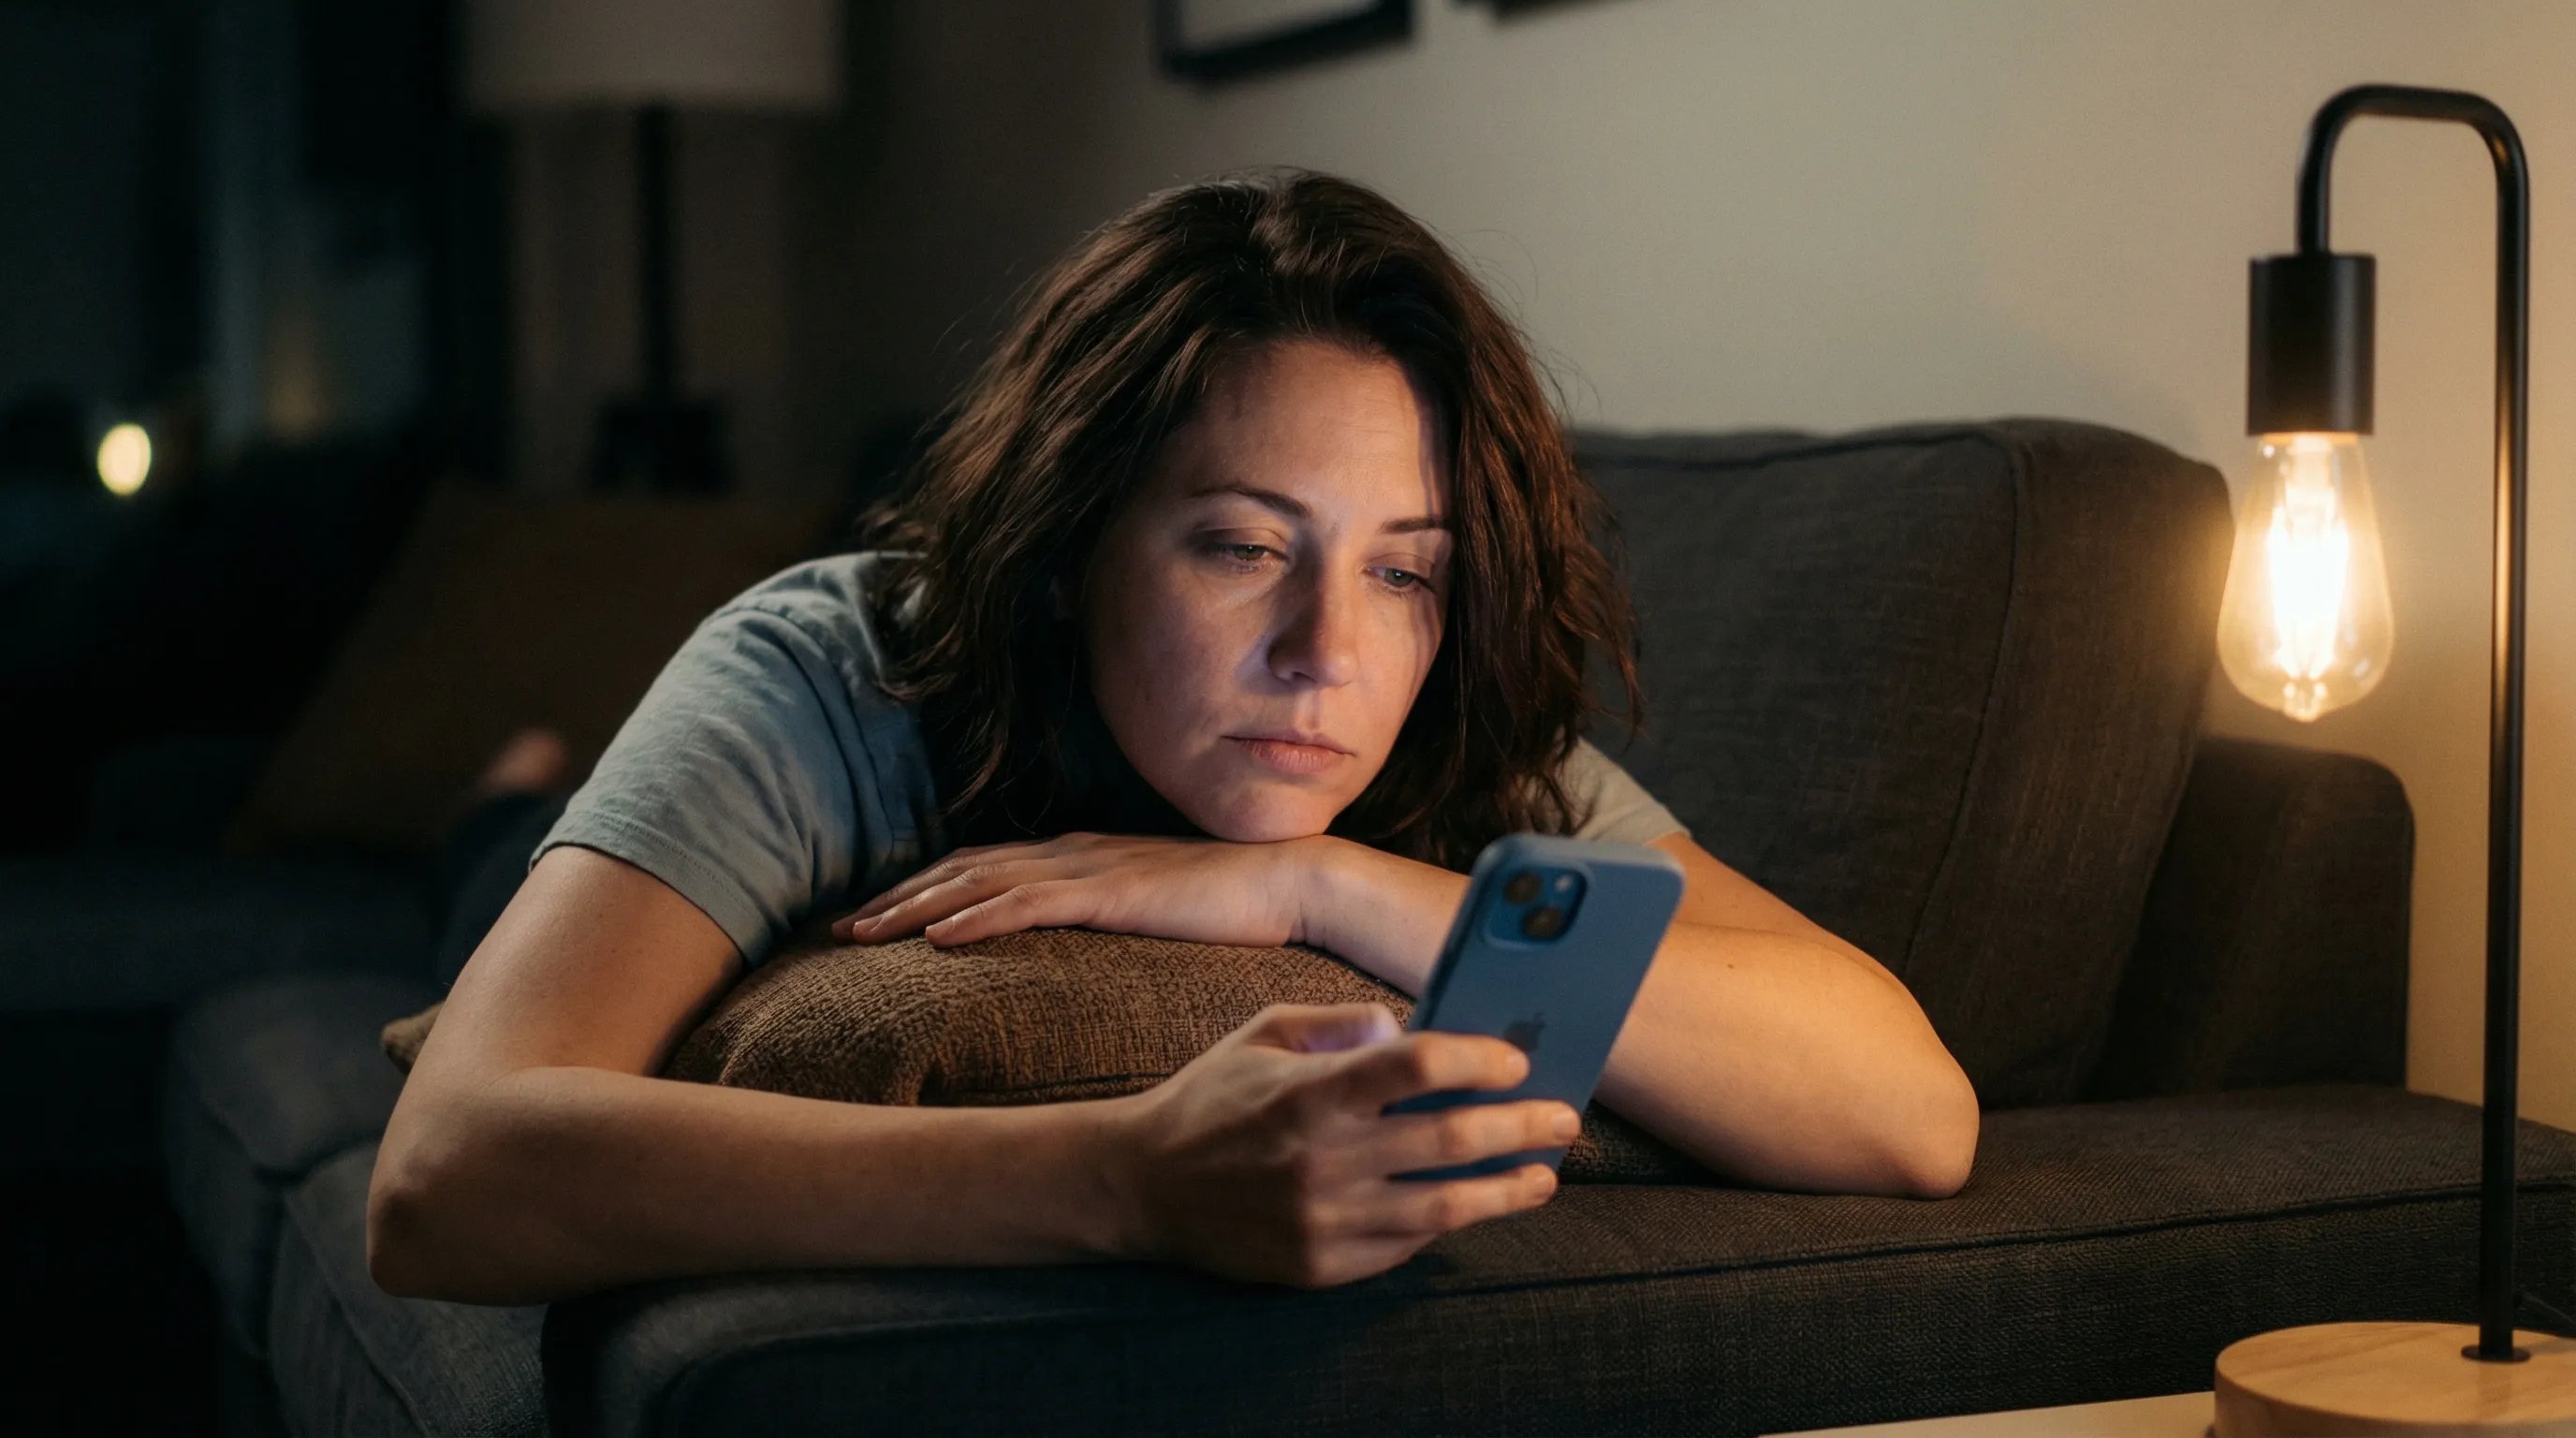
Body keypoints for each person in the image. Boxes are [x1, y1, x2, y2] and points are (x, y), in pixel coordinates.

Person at [370, 171, 1978, 1305]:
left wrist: (1324, 886)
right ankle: (507, 798)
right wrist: (1127, 1179)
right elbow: (443, 1175)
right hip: (601, 865)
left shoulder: (1456, 741)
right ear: (1073, 539)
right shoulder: (838, 671)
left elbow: (1911, 1112)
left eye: (1403, 570)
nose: (1326, 654)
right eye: (1243, 545)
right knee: (486, 881)